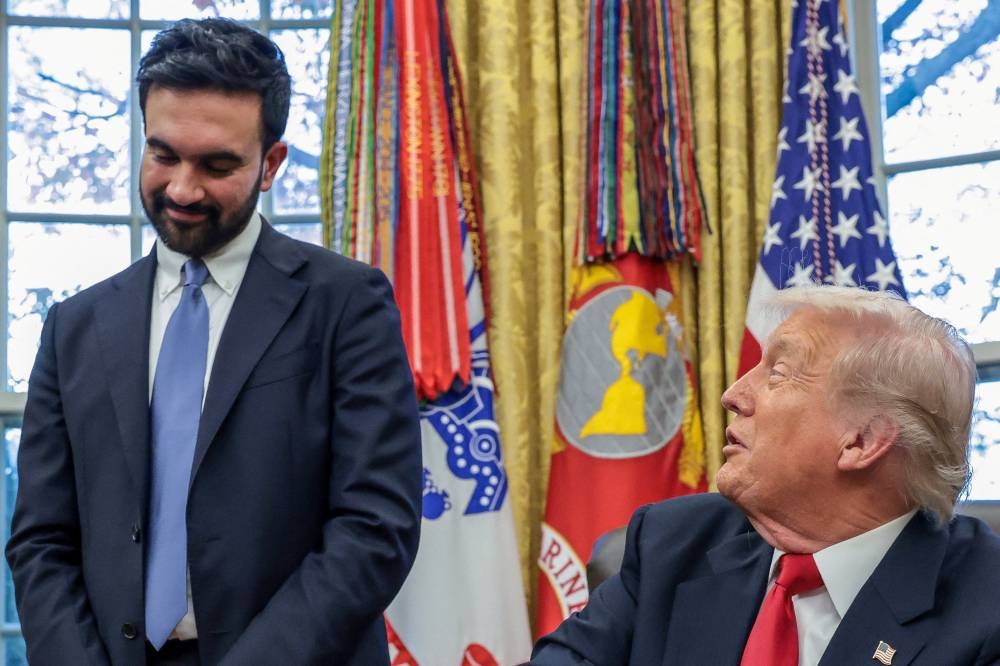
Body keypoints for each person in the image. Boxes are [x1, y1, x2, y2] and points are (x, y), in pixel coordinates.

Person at [6, 18, 422, 666]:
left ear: (272, 163)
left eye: (217, 164)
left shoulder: (348, 306)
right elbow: (40, 543)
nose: (181, 189)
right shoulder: (74, 328)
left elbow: (374, 530)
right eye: (163, 154)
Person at [530, 285, 1000, 665]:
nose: (732, 395)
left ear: (862, 441)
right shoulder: (672, 544)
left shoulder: (986, 608)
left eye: (777, 373)